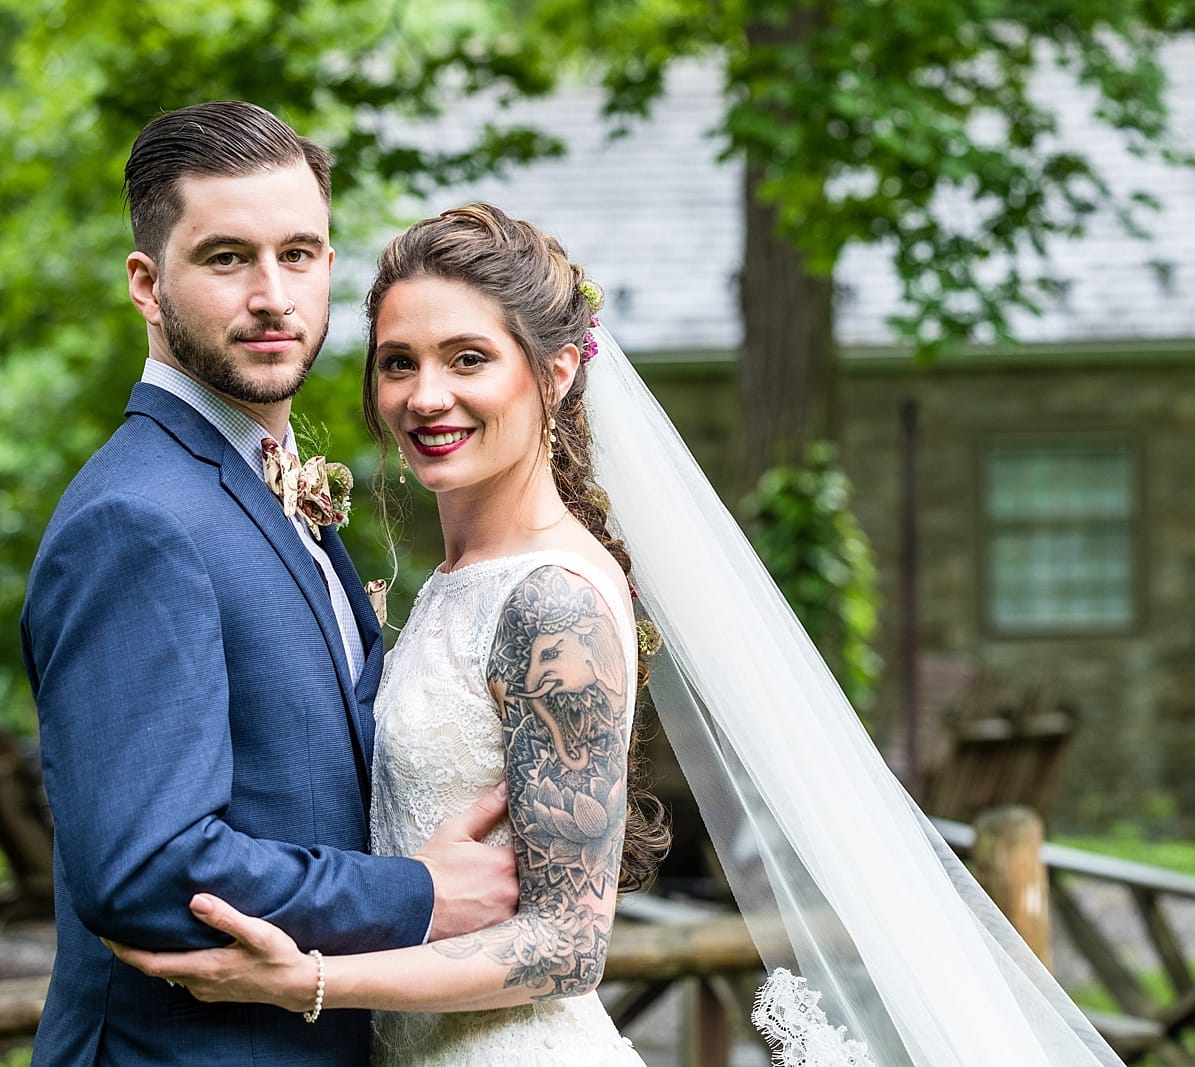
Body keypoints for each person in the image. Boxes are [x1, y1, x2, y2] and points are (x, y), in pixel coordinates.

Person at [114, 204, 1127, 1067]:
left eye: (469, 358)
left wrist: (312, 979)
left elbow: (567, 943)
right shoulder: (460, 582)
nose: (426, 396)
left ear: (557, 371)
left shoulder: (554, 601)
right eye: (398, 363)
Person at [22, 103, 519, 1066]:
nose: (272, 295)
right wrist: (418, 894)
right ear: (146, 284)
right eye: (226, 258)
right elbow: (148, 867)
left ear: (330, 262)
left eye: (297, 254)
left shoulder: (264, 482)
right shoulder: (136, 519)